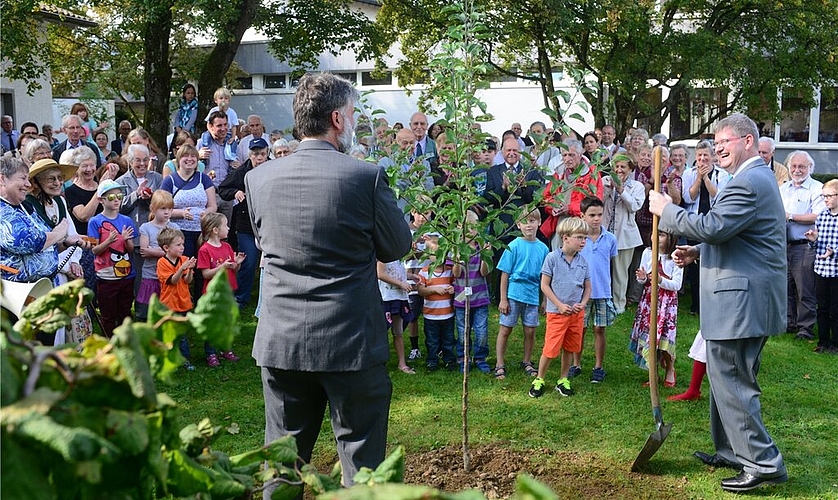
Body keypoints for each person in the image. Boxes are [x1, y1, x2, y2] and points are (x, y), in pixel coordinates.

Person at [245, 73, 410, 489]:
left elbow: (267, 241)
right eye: (353, 114)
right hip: (350, 339)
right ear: (338, 118)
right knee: (361, 461)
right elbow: (396, 247)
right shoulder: (365, 176)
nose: (354, 122)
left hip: (282, 338)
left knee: (283, 463)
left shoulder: (258, 179)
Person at [649, 112, 787, 493]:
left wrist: (668, 211)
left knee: (734, 383)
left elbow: (716, 226)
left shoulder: (750, 181)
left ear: (747, 142)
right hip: (742, 298)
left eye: (726, 140)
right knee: (725, 378)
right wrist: (697, 252)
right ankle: (732, 450)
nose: (719, 147)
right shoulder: (750, 179)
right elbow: (737, 238)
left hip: (741, 302)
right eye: (716, 141)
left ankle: (763, 462)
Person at [23, 158, 93, 344]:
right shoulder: (28, 206)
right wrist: (65, 266)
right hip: (43, 276)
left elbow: (72, 234)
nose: (57, 183)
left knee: (65, 325)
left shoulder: (60, 202)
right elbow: (39, 245)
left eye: (60, 178)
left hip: (64, 271)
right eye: (51, 179)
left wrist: (75, 261)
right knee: (47, 324)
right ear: (36, 182)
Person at [529, 217, 591, 398]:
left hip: (576, 314)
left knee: (570, 348)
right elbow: (544, 285)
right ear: (565, 237)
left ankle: (563, 379)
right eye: (579, 237)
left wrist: (583, 303)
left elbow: (587, 287)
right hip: (557, 313)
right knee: (551, 348)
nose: (583, 241)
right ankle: (539, 378)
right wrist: (559, 305)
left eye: (585, 238)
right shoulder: (552, 258)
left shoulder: (583, 262)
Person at [493, 208, 549, 380]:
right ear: (518, 224)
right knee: (505, 329)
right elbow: (505, 274)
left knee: (530, 331)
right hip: (514, 294)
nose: (529, 225)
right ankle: (499, 363)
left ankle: (526, 361)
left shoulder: (544, 249)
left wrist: (545, 300)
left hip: (532, 295)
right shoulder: (513, 245)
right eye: (525, 221)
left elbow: (546, 277)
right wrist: (503, 299)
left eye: (532, 221)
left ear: (539, 222)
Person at [217, 137, 270, 307]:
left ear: (267, 153)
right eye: (255, 154)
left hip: (269, 223)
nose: (259, 158)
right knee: (248, 261)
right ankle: (240, 298)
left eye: (262, 154)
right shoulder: (242, 171)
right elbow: (223, 189)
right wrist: (236, 192)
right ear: (250, 155)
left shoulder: (273, 168)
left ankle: (269, 300)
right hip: (246, 225)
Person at [680, 140, 729, 315]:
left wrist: (707, 178)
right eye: (699, 156)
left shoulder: (722, 175)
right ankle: (696, 304)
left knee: (712, 262)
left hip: (713, 221)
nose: (702, 160)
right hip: (695, 222)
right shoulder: (688, 174)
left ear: (712, 156)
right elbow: (689, 198)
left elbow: (718, 197)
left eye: (705, 156)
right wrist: (699, 178)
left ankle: (712, 302)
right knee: (694, 265)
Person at [629, 229, 682, 387]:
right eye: (654, 233)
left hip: (666, 305)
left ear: (671, 237)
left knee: (664, 340)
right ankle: (654, 374)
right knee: (650, 339)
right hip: (649, 301)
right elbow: (643, 281)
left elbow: (677, 285)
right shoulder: (647, 253)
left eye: (661, 235)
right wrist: (642, 278)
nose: (656, 238)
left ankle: (670, 368)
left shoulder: (676, 256)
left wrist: (660, 280)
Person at [780, 150, 824, 340]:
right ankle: (789, 323)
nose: (797, 170)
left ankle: (805, 329)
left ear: (810, 168)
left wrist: (790, 216)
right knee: (785, 286)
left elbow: (819, 216)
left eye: (801, 167)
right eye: (794, 166)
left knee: (804, 288)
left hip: (805, 245)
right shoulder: (783, 188)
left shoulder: (817, 188)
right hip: (783, 244)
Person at [574, 196, 618, 383]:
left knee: (599, 328)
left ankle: (598, 366)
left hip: (602, 291)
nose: (596, 218)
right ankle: (575, 364)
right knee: (579, 329)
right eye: (592, 215)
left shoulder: (610, 239)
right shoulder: (577, 239)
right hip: (580, 292)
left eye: (599, 214)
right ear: (582, 215)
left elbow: (611, 265)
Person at [88, 180, 136, 338]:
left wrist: (127, 239)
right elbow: (94, 250)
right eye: (112, 197)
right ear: (101, 200)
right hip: (106, 276)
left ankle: (124, 342)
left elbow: (130, 249)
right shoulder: (95, 222)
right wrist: (108, 241)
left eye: (119, 196)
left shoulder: (126, 220)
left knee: (125, 312)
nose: (117, 199)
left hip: (127, 275)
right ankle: (108, 344)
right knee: (108, 315)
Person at [196, 212, 244, 367]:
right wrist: (222, 266)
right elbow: (206, 274)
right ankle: (211, 353)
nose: (229, 228)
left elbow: (233, 271)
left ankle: (225, 349)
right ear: (215, 230)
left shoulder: (228, 247)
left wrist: (237, 263)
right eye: (225, 225)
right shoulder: (205, 250)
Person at [450, 210, 492, 374]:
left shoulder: (481, 247)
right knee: (462, 330)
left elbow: (484, 272)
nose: (470, 232)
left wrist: (485, 256)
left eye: (473, 228)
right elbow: (456, 273)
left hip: (480, 297)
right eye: (466, 228)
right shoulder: (455, 249)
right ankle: (463, 358)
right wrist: (457, 257)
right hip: (461, 299)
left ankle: (480, 358)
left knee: (481, 331)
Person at [804, 179, 838, 353]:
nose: (826, 200)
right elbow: (819, 243)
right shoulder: (822, 216)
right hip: (821, 269)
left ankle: (835, 343)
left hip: (836, 270)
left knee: (835, 308)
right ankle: (823, 341)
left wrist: (834, 252)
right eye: (823, 196)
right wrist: (813, 240)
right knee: (822, 307)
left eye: (829, 196)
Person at [156, 227, 198, 370]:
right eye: (178, 245)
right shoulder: (162, 262)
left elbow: (187, 281)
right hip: (169, 304)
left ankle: (184, 360)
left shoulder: (184, 260)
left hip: (183, 302)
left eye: (183, 244)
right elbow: (173, 281)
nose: (182, 248)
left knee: (182, 334)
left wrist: (191, 269)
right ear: (166, 248)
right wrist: (182, 268)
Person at [417, 233, 456, 372]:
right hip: (431, 315)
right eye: (435, 254)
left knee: (448, 339)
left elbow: (455, 286)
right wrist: (432, 289)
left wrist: (452, 289)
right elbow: (420, 290)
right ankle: (432, 360)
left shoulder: (449, 272)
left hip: (447, 314)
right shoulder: (425, 272)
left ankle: (449, 359)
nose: (439, 257)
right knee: (432, 340)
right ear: (428, 255)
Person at [136, 190, 176, 322]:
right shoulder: (146, 227)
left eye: (170, 209)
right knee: (147, 312)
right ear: (153, 208)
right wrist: (167, 252)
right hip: (150, 275)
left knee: (166, 311)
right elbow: (144, 251)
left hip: (168, 276)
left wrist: (154, 251)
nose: (167, 212)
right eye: (163, 208)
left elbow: (177, 251)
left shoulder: (175, 227)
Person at [376, 259, 417, 374]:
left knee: (398, 332)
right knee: (381, 332)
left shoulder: (398, 257)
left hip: (399, 297)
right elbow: (380, 273)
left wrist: (411, 276)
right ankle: (379, 364)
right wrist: (400, 284)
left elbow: (396, 272)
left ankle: (402, 364)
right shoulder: (385, 254)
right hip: (386, 299)